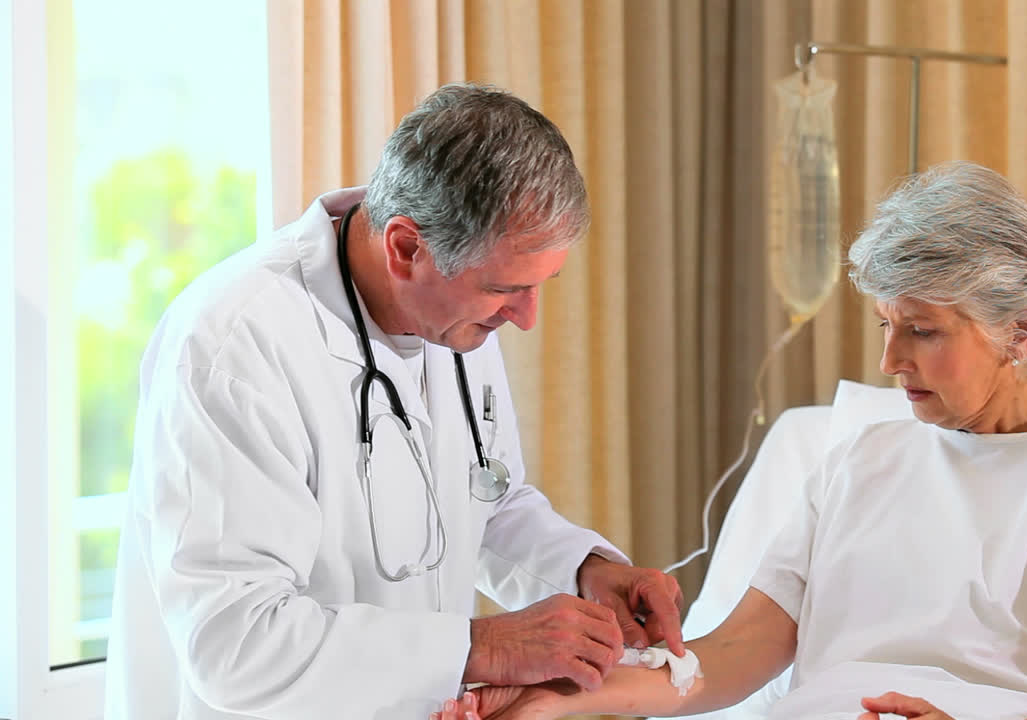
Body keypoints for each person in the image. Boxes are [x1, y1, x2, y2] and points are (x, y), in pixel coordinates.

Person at [434, 162, 1027, 720]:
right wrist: (554, 704)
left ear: (1022, 333)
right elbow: (730, 657)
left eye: (922, 330)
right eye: (886, 326)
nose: (889, 361)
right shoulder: (864, 457)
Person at [104, 83, 684, 720]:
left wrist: (586, 569)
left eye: (538, 287)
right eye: (506, 290)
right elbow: (235, 645)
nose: (526, 318)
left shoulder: (453, 312)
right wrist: (481, 646)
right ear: (406, 248)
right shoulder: (234, 346)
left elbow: (483, 502)